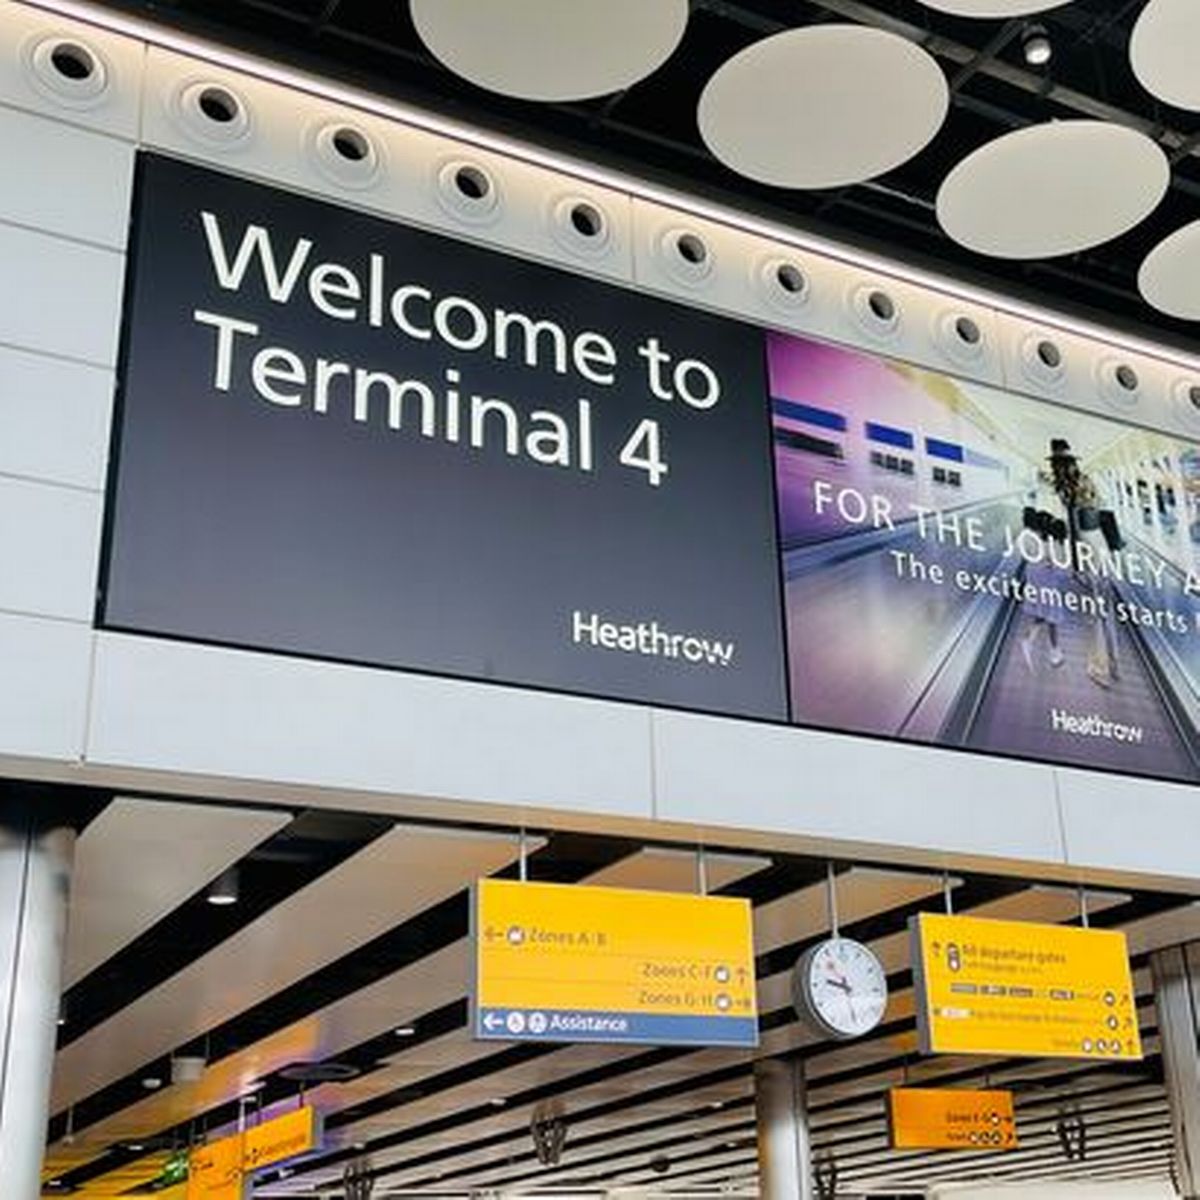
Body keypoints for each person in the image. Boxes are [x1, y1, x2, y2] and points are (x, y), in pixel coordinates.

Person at [1047, 439, 1119, 688]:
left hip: (1085, 547)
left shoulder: (1065, 489)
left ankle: (1099, 669)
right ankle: (1114, 663)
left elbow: (1073, 526)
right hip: (1099, 542)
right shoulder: (1086, 480)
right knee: (1104, 606)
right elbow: (1099, 508)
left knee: (1093, 610)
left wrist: (1075, 564)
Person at [1019, 509, 1066, 672]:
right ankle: (1054, 653)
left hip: (1035, 582)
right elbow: (1061, 570)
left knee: (1042, 616)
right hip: (1049, 586)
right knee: (1052, 618)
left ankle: (1030, 641)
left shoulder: (1032, 540)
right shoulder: (1052, 545)